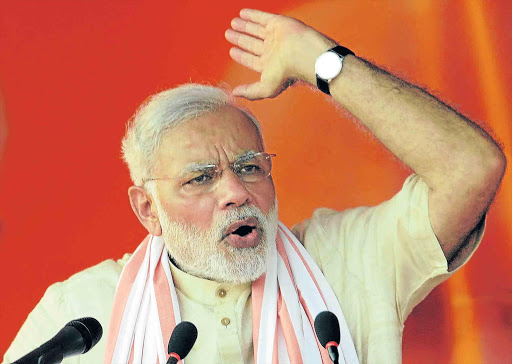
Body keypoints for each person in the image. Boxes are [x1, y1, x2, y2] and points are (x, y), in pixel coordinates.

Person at [2, 8, 506, 364]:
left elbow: (471, 167)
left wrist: (322, 62)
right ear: (147, 209)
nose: (235, 193)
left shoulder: (348, 259)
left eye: (249, 168)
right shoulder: (81, 314)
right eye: (200, 178)